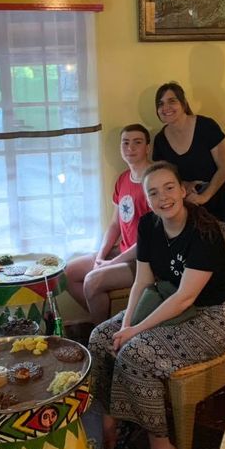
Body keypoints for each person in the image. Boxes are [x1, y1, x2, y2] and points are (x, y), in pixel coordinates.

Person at [89, 161, 225, 449]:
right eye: (153, 192)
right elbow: (143, 281)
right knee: (101, 338)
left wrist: (135, 332)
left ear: (183, 190)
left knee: (135, 354)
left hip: (213, 316)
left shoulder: (203, 231)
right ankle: (112, 418)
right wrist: (126, 324)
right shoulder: (149, 225)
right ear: (147, 199)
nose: (163, 197)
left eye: (169, 187)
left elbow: (187, 298)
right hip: (167, 301)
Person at [66, 124, 152, 326]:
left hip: (145, 260)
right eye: (125, 143)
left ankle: (101, 335)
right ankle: (107, 326)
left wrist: (112, 263)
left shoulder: (154, 180)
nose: (130, 147)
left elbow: (150, 239)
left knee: (92, 281)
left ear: (147, 147)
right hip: (123, 250)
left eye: (137, 142)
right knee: (68, 273)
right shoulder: (123, 179)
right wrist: (101, 256)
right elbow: (115, 224)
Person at [152, 81, 225, 221]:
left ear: (183, 103)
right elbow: (164, 178)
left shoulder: (206, 125)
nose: (165, 108)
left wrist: (204, 197)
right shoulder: (160, 140)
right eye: (160, 104)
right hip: (187, 207)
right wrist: (184, 184)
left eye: (172, 101)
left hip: (219, 202)